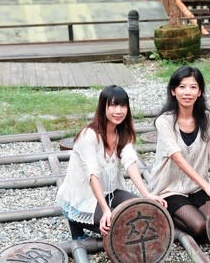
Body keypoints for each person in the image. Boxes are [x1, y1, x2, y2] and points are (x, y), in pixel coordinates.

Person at [147, 66, 210, 243]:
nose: (187, 92)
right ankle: (167, 215)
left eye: (193, 87)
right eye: (182, 87)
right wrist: (207, 186)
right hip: (169, 190)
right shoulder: (164, 121)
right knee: (201, 228)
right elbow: (178, 158)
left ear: (200, 92)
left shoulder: (207, 118)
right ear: (173, 91)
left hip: (197, 188)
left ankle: (189, 210)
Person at [56, 85, 167, 240]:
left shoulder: (122, 133)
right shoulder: (89, 136)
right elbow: (93, 174)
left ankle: (103, 218)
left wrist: (146, 194)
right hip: (83, 198)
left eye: (123, 105)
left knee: (144, 210)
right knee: (117, 223)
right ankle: (76, 222)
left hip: (112, 192)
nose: (118, 111)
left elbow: (131, 163)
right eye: (113, 105)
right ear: (103, 107)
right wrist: (106, 209)